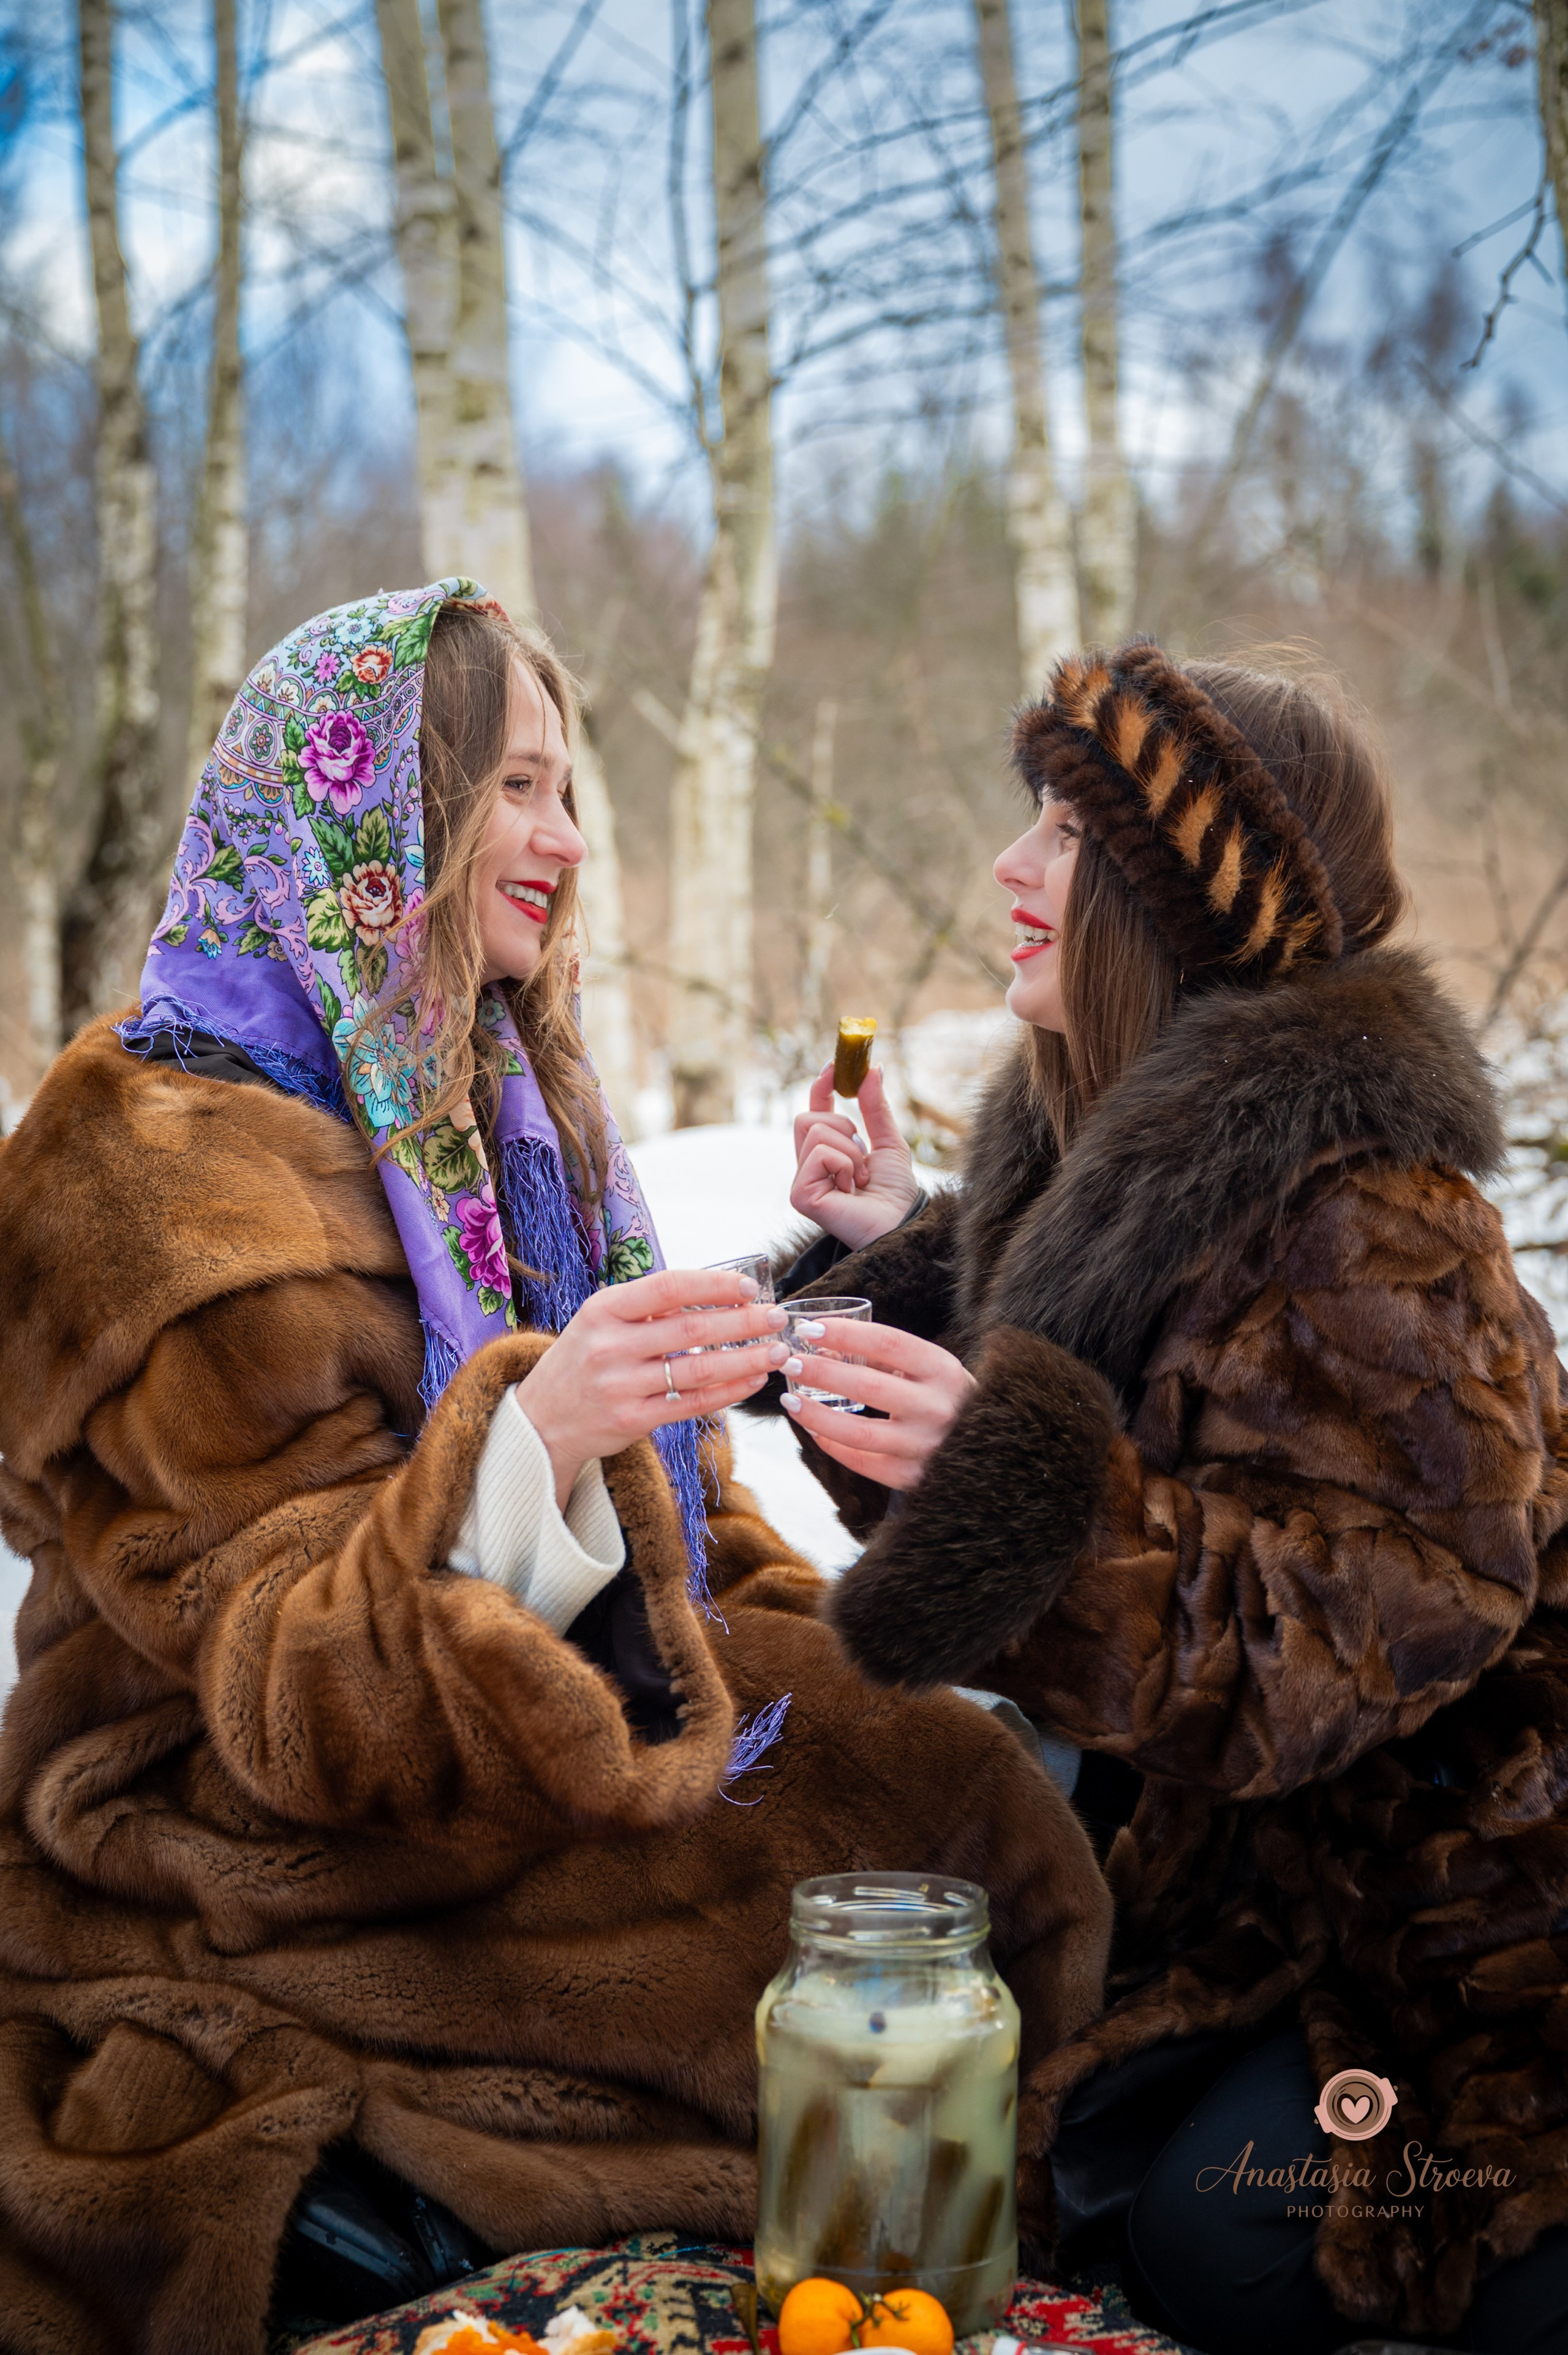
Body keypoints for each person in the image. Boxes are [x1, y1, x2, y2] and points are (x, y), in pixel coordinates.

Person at [0, 581, 1112, 2352]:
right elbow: (289, 1693)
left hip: (522, 1713)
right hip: (239, 1824)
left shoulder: (499, 1104)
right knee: (798, 1958)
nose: (568, 840)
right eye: (516, 787)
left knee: (949, 1799)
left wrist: (814, 1632)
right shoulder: (159, 1177)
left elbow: (688, 1530)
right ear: (374, 812)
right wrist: (531, 1440)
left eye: (569, 790)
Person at [763, 641, 1568, 2355]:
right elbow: (1061, 1423)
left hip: (1467, 1920)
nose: (1011, 866)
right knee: (1048, 2149)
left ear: (1179, 899)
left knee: (1235, 2236)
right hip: (1241, 1882)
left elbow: (1361, 1628)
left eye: (1064, 834)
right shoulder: (1089, 1154)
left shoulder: (1378, 1213)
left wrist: (1014, 1482)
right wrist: (891, 1276)